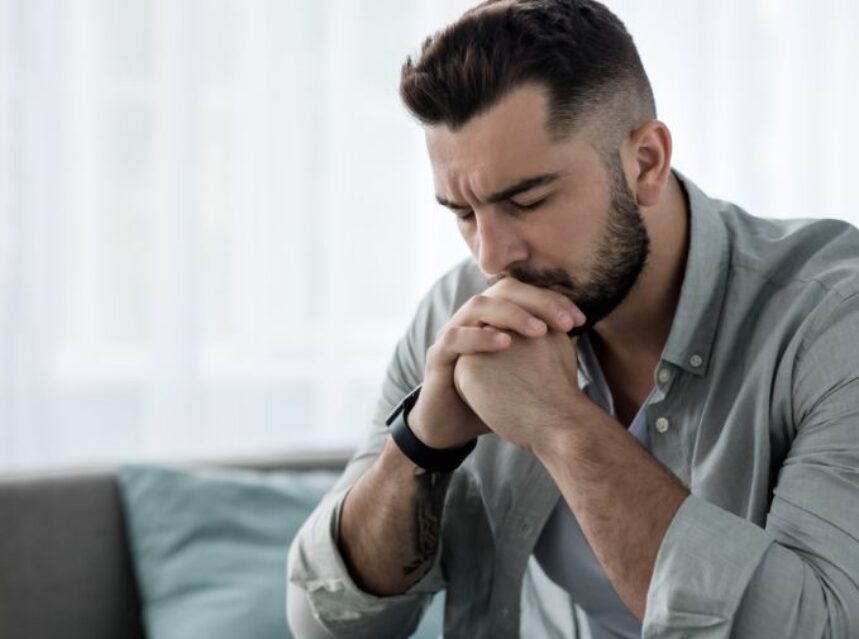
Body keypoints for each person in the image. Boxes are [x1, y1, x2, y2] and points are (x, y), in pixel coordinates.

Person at [287, 0, 859, 637]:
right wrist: (424, 441)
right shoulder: (462, 314)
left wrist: (559, 424)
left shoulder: (833, 321)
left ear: (646, 161)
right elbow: (324, 620)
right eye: (463, 213)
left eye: (527, 200)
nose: (492, 256)